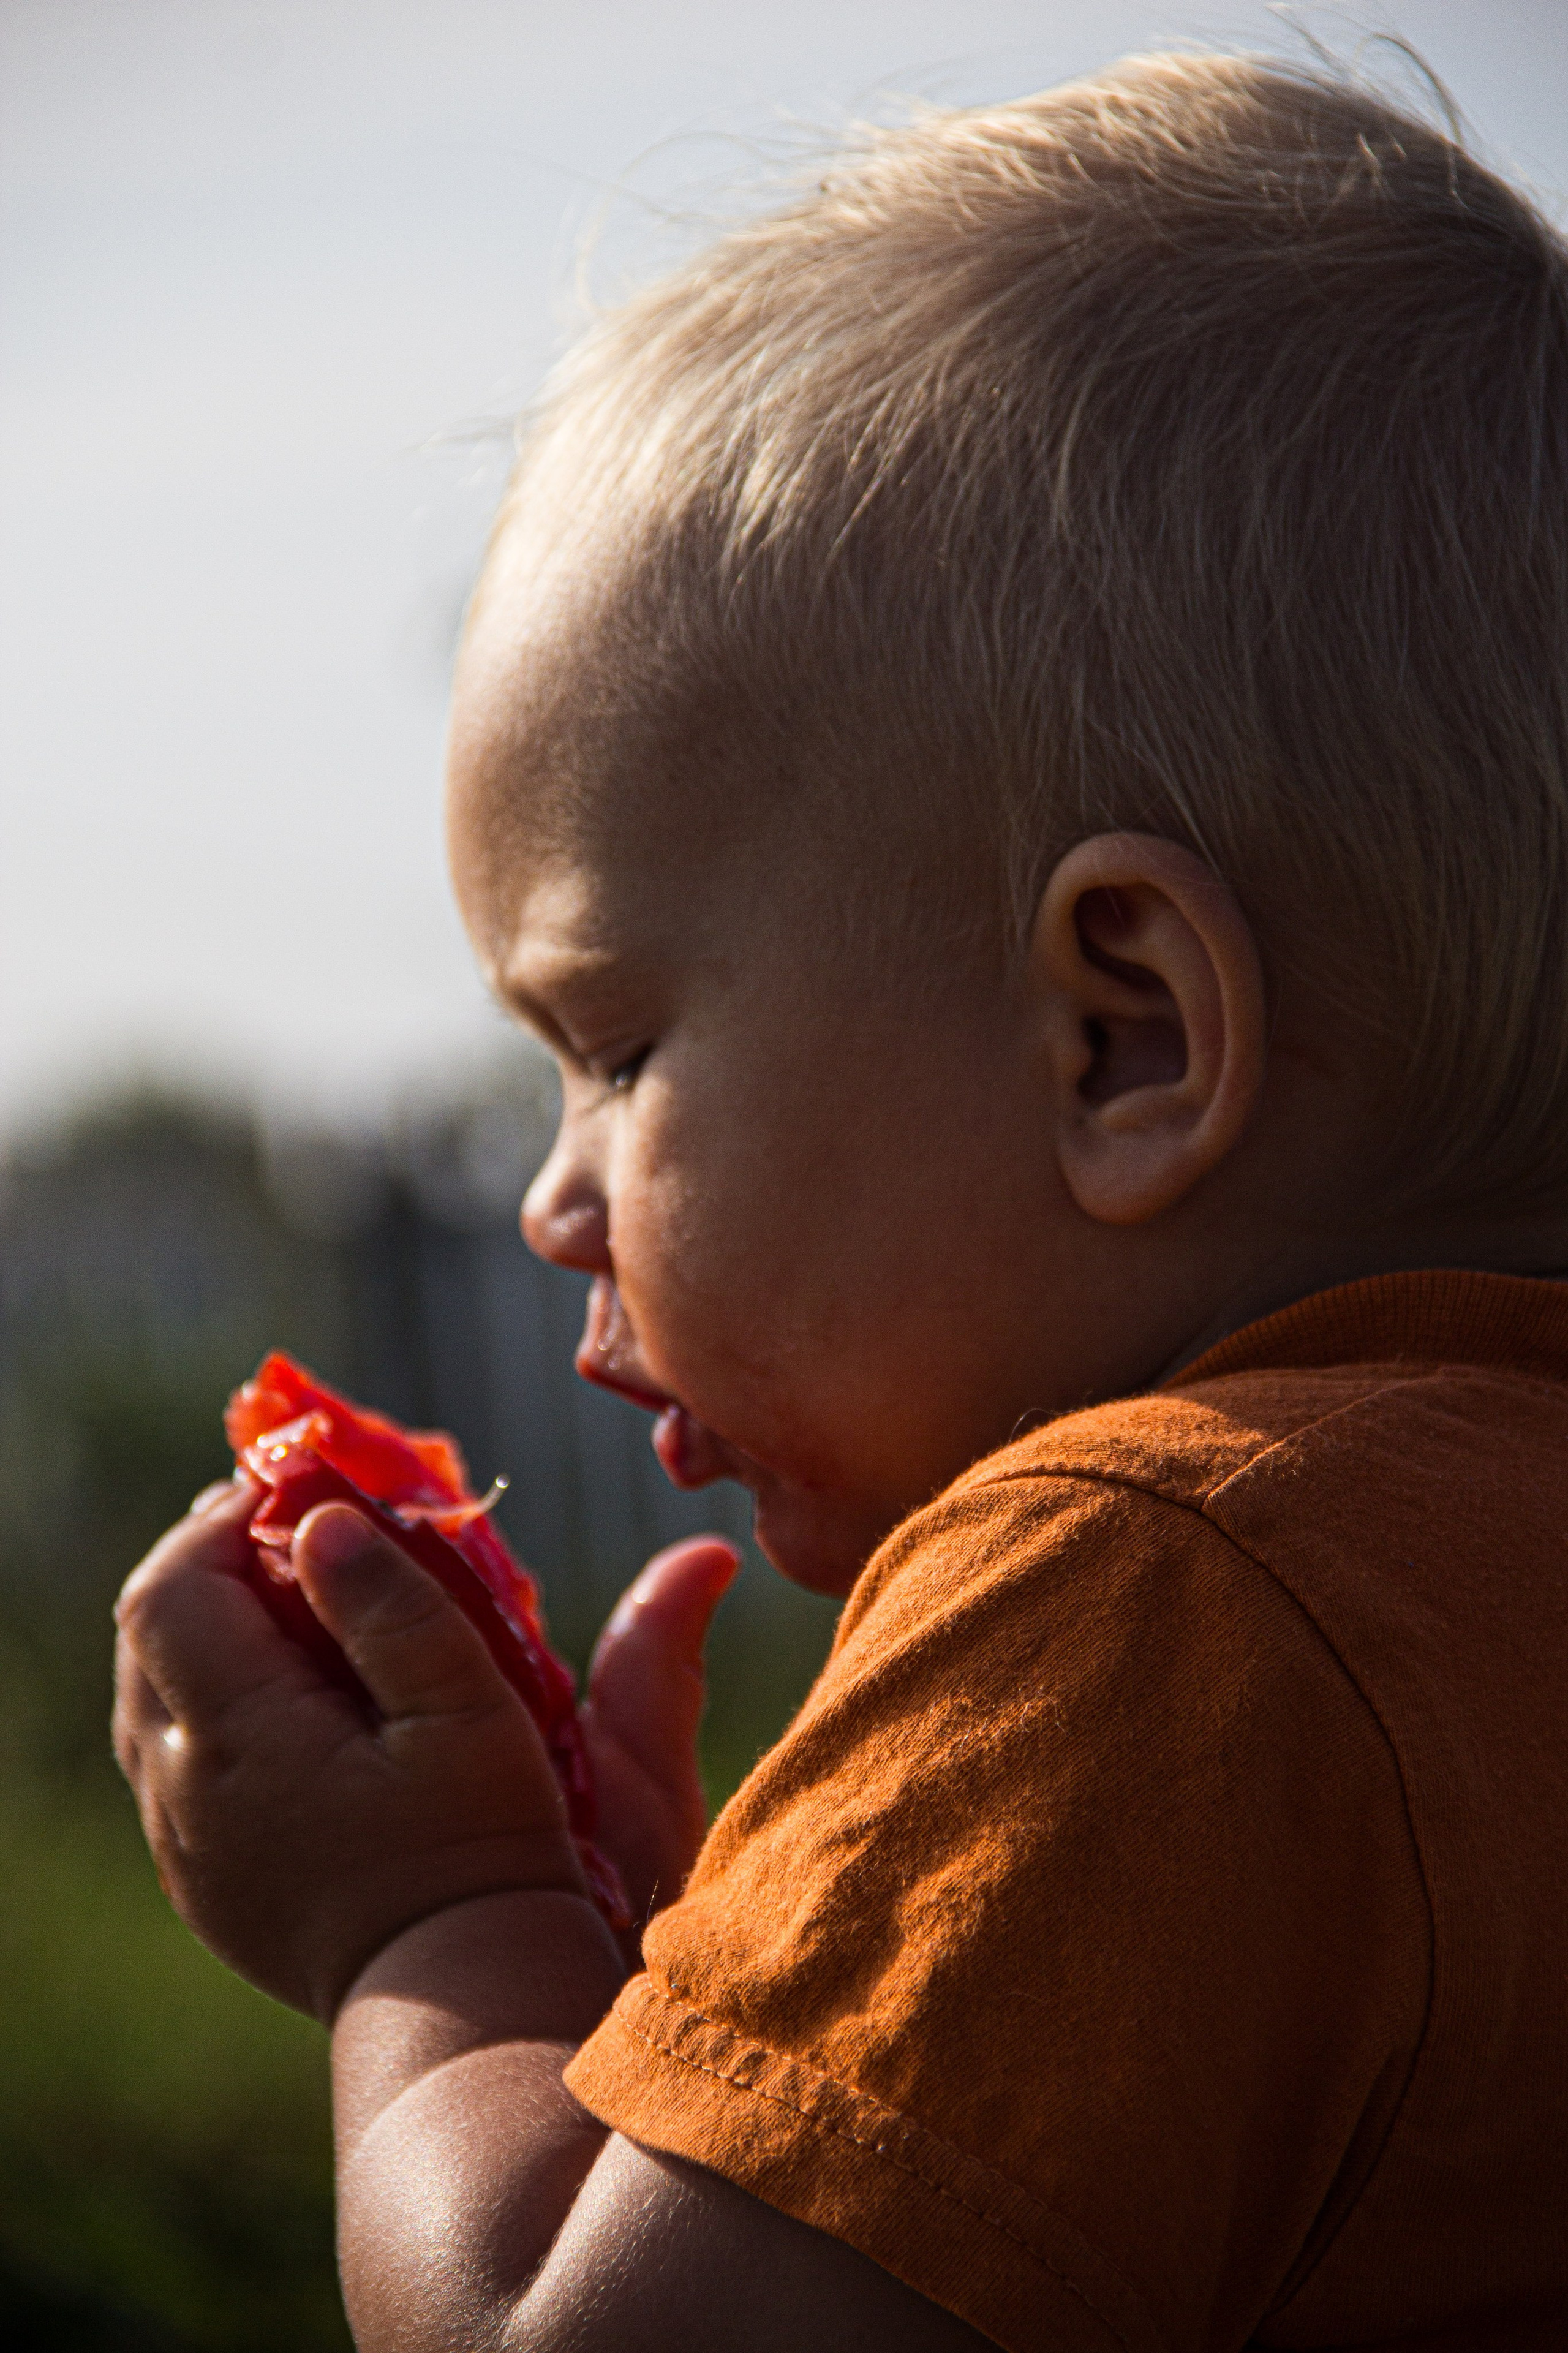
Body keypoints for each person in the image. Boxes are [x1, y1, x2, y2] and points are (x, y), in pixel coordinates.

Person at [112, 50, 1568, 2350]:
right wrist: (774, 2015)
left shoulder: (1143, 1592)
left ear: (1124, 1038)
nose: (553, 1201)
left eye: (614, 1043)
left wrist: (449, 1929)